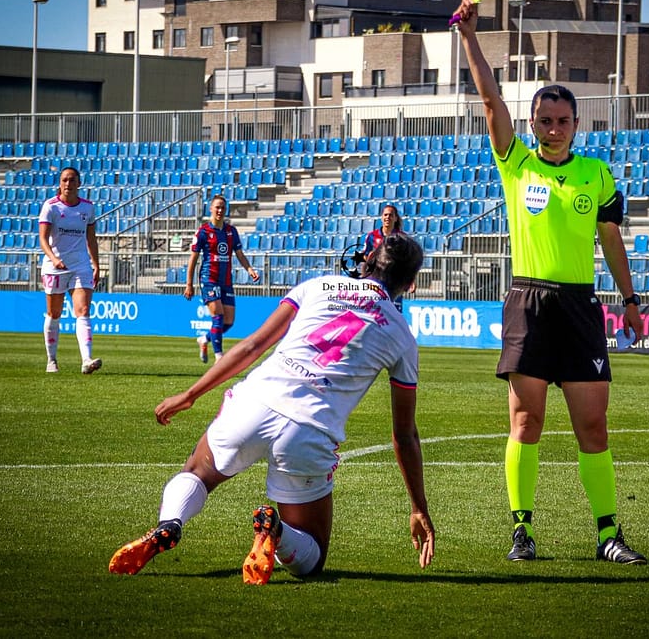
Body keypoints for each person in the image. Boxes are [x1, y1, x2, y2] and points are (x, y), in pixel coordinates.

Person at [109, 232, 435, 584]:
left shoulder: (318, 286)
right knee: (312, 559)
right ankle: (275, 529)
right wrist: (418, 507)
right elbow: (404, 434)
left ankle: (170, 523)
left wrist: (190, 394)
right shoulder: (402, 335)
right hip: (309, 430)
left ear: (368, 260)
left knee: (198, 472)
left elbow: (252, 346)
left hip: (255, 401)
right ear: (410, 283)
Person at [453, 0, 646, 564]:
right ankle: (522, 530)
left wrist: (631, 301)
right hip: (529, 302)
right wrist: (469, 37)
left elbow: (611, 240)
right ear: (532, 123)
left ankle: (608, 534)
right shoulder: (516, 162)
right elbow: (490, 98)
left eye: (563, 121)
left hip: (581, 307)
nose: (555, 129)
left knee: (594, 425)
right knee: (525, 420)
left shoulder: (597, 173)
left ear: (576, 125)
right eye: (545, 121)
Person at [38, 166, 102, 374]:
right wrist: (54, 258)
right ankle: (52, 360)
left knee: (83, 311)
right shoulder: (51, 207)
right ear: (60, 183)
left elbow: (91, 238)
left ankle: (86, 360)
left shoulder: (88, 208)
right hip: (55, 267)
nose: (68, 184)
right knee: (54, 313)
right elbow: (42, 239)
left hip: (80, 265)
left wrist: (96, 264)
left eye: (72, 180)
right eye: (64, 180)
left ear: (79, 183)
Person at [185, 195, 261, 364]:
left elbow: (239, 254)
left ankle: (204, 339)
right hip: (209, 279)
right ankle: (219, 357)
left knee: (228, 322)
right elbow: (193, 259)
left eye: (222, 208)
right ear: (210, 209)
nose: (220, 211)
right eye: (217, 207)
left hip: (226, 281)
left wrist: (249, 269)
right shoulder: (203, 232)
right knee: (218, 316)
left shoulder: (231, 232)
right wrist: (189, 284)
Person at [357, 204, 413, 312]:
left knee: (394, 312)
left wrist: (411, 280)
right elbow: (365, 255)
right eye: (385, 215)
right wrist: (370, 260)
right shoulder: (372, 236)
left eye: (391, 215)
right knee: (376, 312)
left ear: (396, 218)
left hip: (395, 281)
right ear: (382, 218)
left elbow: (408, 261)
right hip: (376, 280)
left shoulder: (402, 237)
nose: (388, 217)